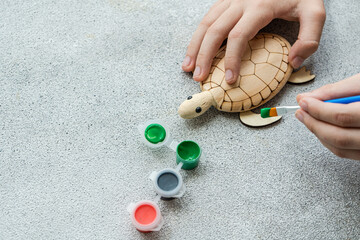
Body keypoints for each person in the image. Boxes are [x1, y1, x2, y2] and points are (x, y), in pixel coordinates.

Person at [181, 0, 360, 160]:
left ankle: (293, 74)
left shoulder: (218, 92)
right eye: (195, 104)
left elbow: (251, 113)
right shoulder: (210, 84)